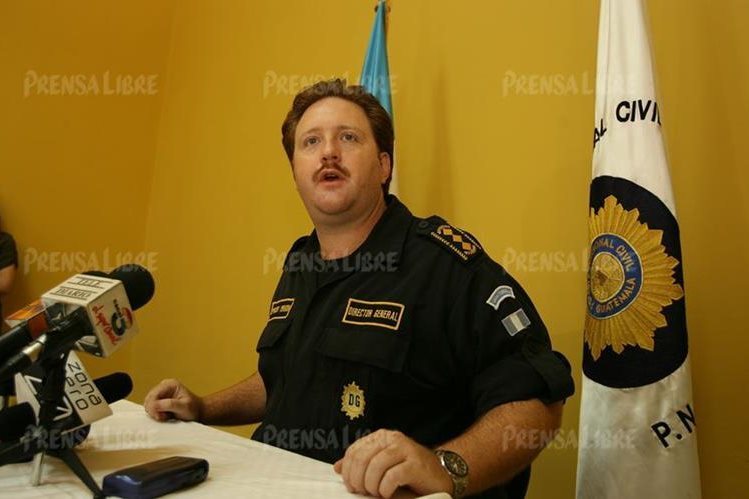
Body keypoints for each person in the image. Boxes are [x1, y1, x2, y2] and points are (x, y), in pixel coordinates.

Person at [144, 79, 574, 499]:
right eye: (311, 142)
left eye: (348, 137)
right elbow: (287, 375)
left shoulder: (444, 267)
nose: (328, 152)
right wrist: (204, 407)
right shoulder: (300, 261)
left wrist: (444, 467)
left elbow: (535, 400)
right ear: (295, 172)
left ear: (384, 166)